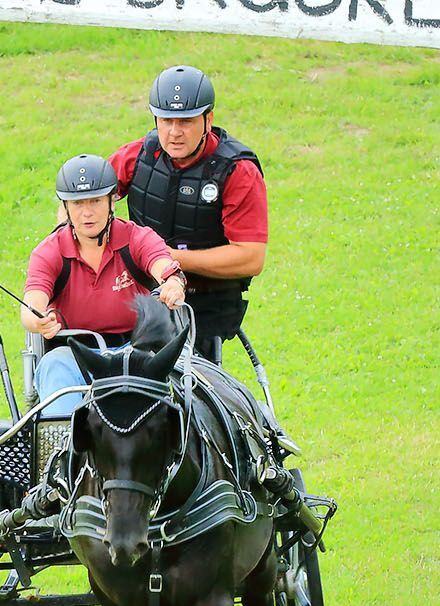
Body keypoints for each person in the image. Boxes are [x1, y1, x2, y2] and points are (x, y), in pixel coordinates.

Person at [107, 65, 268, 364]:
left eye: (186, 121)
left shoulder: (238, 171)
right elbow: (80, 204)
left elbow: (251, 257)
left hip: (203, 305)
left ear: (209, 119)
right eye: (166, 121)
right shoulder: (138, 155)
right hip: (139, 296)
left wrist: (166, 259)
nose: (174, 132)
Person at [22, 154, 187, 415]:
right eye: (77, 204)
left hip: (140, 348)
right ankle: (62, 447)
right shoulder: (49, 251)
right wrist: (38, 320)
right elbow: (33, 302)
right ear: (65, 207)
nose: (87, 212)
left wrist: (171, 283)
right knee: (54, 366)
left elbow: (162, 263)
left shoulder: (136, 237)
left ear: (112, 200)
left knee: (184, 375)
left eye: (96, 201)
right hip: (76, 353)